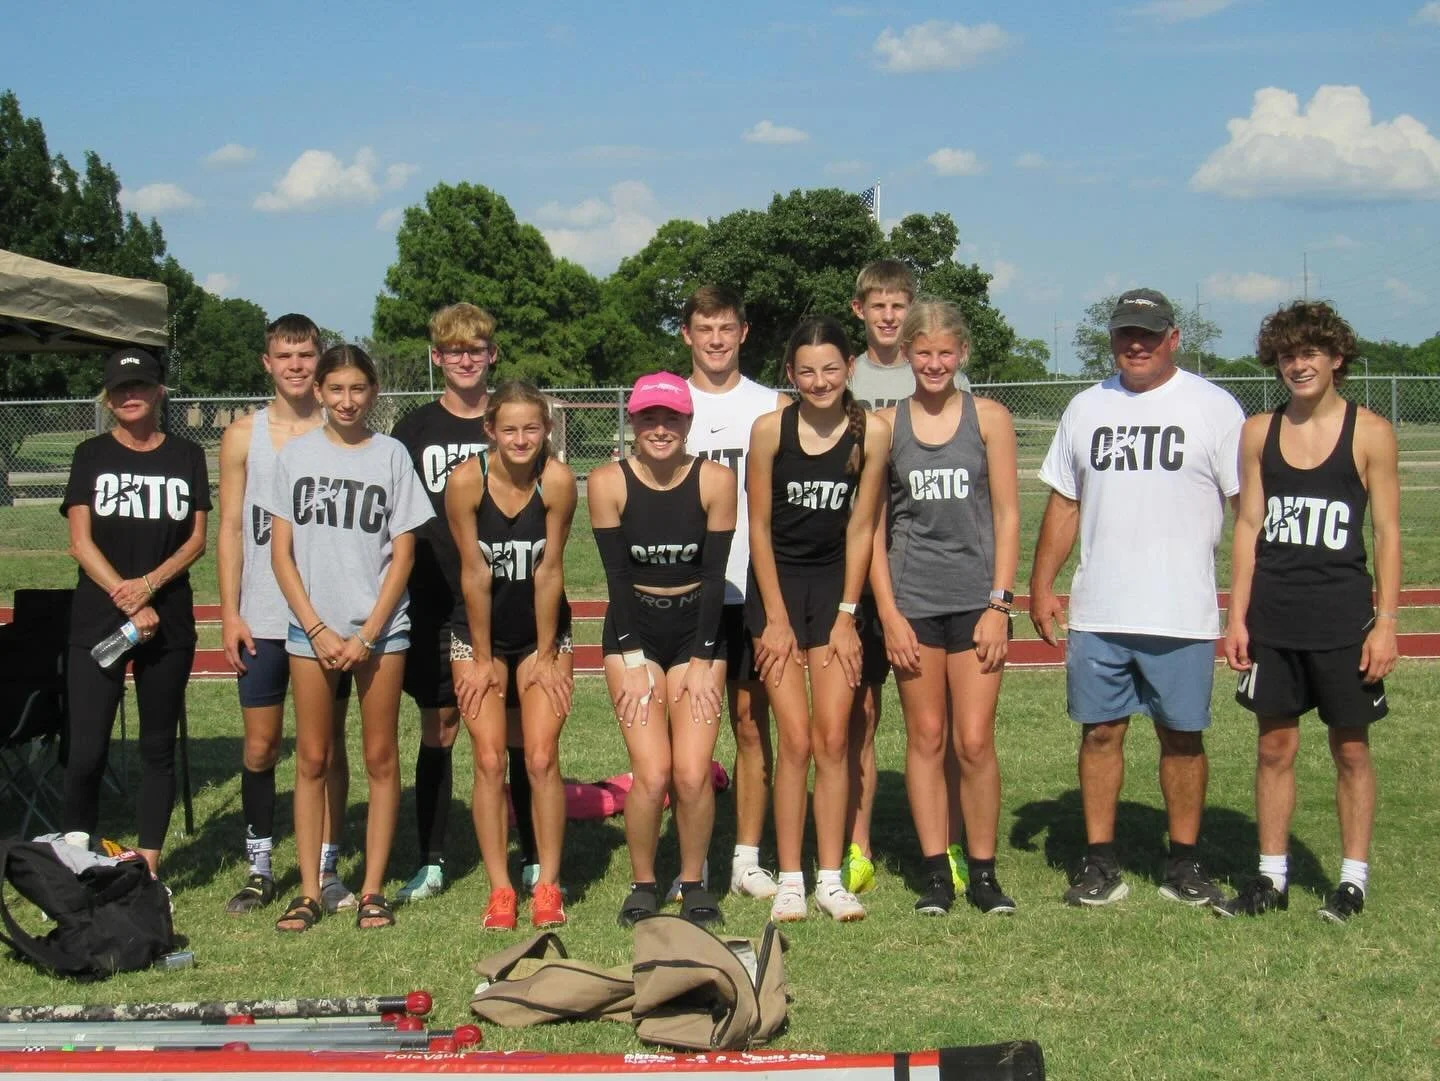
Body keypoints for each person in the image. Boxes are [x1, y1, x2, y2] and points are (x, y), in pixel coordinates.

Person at [1029, 288, 1243, 908]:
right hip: (1101, 608)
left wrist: (1250, 599)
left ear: (1174, 337)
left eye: (1149, 334)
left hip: (1182, 607)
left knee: (1182, 737)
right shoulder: (1086, 407)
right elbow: (1066, 502)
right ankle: (1099, 862)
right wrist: (1043, 584)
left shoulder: (1213, 407)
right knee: (1100, 733)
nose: (1137, 344)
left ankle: (1184, 862)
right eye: (1126, 333)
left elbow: (1244, 511)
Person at [1219, 301, 1399, 923]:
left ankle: (1351, 880)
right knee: (1274, 748)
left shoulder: (1369, 432)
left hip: (1342, 620)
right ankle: (1270, 877)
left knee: (1350, 750)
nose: (1299, 365)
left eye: (1311, 353)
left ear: (1336, 358)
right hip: (1275, 618)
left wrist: (1386, 622)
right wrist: (1237, 617)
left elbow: (1388, 533)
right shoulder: (1259, 432)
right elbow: (1247, 524)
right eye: (1289, 355)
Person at [264, 345, 434, 932]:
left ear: (374, 391)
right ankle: (309, 890)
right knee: (313, 758)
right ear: (319, 391)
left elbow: (404, 551)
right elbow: (280, 553)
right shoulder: (296, 456)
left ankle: (371, 890)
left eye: (357, 389)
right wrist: (313, 626)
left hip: (381, 631)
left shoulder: (391, 456)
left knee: (379, 757)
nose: (345, 400)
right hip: (310, 630)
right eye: (334, 388)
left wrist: (368, 631)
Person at [869, 299, 1020, 916]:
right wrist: (890, 613)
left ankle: (981, 870)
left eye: (945, 352)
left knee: (974, 741)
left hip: (974, 601)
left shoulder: (989, 418)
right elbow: (871, 530)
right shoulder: (886, 425)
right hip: (914, 604)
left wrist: (1000, 604)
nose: (934, 363)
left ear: (962, 354)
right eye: (922, 352)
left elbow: (1009, 514)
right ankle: (937, 872)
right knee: (926, 736)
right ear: (905, 355)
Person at [748, 315, 890, 922]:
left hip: (834, 589)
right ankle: (790, 879)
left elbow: (862, 528)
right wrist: (775, 619)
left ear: (850, 368)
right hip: (776, 586)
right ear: (790, 373)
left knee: (835, 739)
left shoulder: (873, 434)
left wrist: (847, 615)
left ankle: (831, 878)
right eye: (806, 370)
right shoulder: (768, 429)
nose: (819, 380)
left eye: (831, 368)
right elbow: (756, 526)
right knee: (796, 741)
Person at [389, 303, 527, 904]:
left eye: (477, 349)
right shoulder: (413, 430)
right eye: (453, 350)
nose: (466, 359)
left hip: (507, 597)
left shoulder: (511, 422)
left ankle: (531, 853)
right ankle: (433, 857)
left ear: (492, 355)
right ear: (436, 358)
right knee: (440, 724)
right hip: (433, 598)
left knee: (517, 732)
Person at [217, 314, 355, 916]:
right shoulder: (244, 435)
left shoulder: (340, 428)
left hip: (327, 617)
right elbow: (227, 527)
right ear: (266, 363)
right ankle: (260, 865)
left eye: (306, 354)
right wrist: (229, 611)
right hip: (265, 616)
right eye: (285, 355)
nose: (297, 365)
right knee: (260, 747)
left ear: (320, 361)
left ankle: (324, 867)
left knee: (326, 749)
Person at [590, 371, 736, 928]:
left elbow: (714, 576)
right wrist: (631, 663)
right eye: (648, 417)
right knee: (652, 773)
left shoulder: (714, 480)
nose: (659, 428)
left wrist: (702, 661)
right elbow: (617, 579)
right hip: (636, 630)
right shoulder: (608, 481)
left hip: (698, 626)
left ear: (687, 423)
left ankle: (694, 880)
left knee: (693, 772)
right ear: (632, 422)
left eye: (670, 417)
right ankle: (644, 881)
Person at [844, 260, 971, 895]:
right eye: (879, 305)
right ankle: (858, 844)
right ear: (859, 309)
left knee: (939, 723)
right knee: (860, 713)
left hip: (916, 569)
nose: (890, 316)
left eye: (900, 305)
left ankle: (945, 843)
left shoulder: (941, 371)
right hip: (853, 561)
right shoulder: (847, 374)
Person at [61, 347, 209, 875]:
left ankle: (147, 866)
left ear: (159, 392)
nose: (130, 396)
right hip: (99, 618)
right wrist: (125, 595)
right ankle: (75, 861)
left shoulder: (186, 455)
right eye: (120, 389)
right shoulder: (90, 454)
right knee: (85, 751)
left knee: (156, 748)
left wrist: (148, 587)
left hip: (166, 618)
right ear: (107, 396)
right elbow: (80, 542)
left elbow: (196, 540)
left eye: (141, 386)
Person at [446, 381, 578, 931]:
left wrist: (547, 655)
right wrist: (479, 658)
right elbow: (474, 573)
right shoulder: (466, 480)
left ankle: (547, 882)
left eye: (532, 428)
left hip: (541, 633)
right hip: (479, 633)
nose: (521, 439)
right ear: (490, 431)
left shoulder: (559, 481)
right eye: (510, 429)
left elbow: (549, 570)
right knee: (489, 759)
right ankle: (501, 888)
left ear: (546, 429)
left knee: (542, 757)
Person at [680, 285, 789, 902]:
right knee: (686, 733)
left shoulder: (771, 407)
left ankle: (746, 857)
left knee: (751, 725)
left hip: (752, 583)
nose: (716, 339)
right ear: (688, 335)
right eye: (705, 328)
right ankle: (688, 856)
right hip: (685, 589)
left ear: (743, 333)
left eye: (726, 328)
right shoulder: (668, 402)